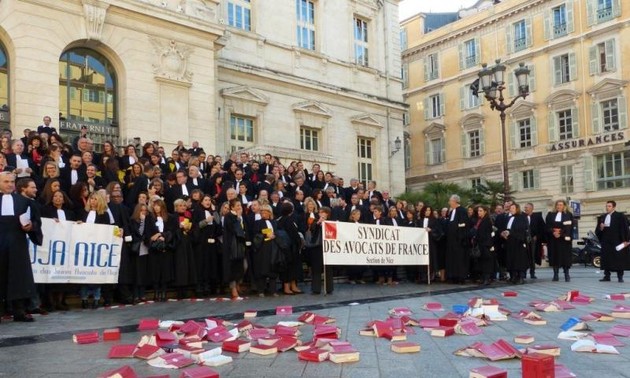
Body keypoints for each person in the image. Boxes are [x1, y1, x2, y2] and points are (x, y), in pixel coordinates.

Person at [193, 194, 221, 296]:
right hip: (201, 243)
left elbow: (218, 224)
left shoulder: (212, 212)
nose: (208, 202)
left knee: (211, 264)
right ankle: (200, 286)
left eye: (209, 200)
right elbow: (195, 226)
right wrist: (205, 221)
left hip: (212, 242)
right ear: (201, 202)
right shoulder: (197, 212)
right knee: (201, 265)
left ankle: (209, 285)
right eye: (205, 200)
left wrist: (214, 212)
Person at [596, 200, 630, 282]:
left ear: (614, 207)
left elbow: (625, 228)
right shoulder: (603, 217)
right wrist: (601, 228)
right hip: (606, 242)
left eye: (609, 206)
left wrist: (626, 240)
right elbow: (598, 231)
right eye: (606, 206)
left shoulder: (620, 216)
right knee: (606, 259)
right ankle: (607, 276)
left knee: (618, 259)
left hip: (617, 241)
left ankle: (620, 277)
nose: (607, 208)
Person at [222, 198, 248, 300]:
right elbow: (234, 230)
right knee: (232, 268)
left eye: (240, 205)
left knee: (243, 266)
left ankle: (238, 284)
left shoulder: (241, 217)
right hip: (232, 246)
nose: (239, 207)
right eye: (237, 205)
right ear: (232, 207)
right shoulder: (229, 216)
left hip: (240, 245)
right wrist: (238, 218)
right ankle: (233, 289)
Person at [251, 204, 279, 297]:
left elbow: (277, 232)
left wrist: (275, 236)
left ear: (269, 213)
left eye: (266, 212)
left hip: (272, 247)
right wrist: (265, 235)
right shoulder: (257, 223)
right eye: (262, 211)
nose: (264, 213)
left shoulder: (274, 222)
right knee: (262, 268)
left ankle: (273, 290)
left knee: (273, 267)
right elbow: (255, 235)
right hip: (262, 248)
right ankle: (261, 290)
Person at [277, 201, 303, 295]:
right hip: (290, 248)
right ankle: (287, 287)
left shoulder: (279, 220)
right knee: (288, 268)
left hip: (285, 247)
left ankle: (293, 286)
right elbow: (293, 234)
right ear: (291, 210)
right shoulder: (288, 220)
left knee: (291, 268)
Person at [545, 199, 574, 282]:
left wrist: (560, 233)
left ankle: (566, 274)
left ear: (564, 206)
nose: (559, 206)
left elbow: (569, 228)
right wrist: (553, 232)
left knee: (565, 257)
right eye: (557, 205)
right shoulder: (550, 215)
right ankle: (555, 274)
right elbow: (547, 226)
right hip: (553, 240)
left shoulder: (568, 215)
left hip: (564, 240)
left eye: (561, 205)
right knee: (554, 257)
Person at [502, 203, 529, 285]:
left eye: (513, 208)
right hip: (510, 242)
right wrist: (505, 232)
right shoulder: (509, 218)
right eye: (510, 208)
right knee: (512, 259)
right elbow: (508, 228)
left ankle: (521, 277)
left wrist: (510, 233)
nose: (511, 209)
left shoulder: (522, 217)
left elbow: (522, 229)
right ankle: (513, 276)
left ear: (517, 209)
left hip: (519, 242)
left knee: (519, 260)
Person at [445, 194, 470, 284]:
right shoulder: (452, 212)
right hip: (451, 241)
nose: (449, 202)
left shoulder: (462, 210)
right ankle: (453, 276)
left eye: (450, 201)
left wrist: (457, 229)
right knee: (452, 259)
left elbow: (464, 224)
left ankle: (461, 277)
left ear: (455, 201)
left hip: (459, 240)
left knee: (460, 259)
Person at [310, 206, 333, 295]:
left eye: (323, 212)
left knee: (328, 268)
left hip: (328, 247)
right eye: (320, 212)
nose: (321, 214)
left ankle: (329, 288)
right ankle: (316, 288)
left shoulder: (331, 222)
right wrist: (319, 222)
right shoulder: (315, 221)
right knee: (316, 268)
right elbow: (312, 230)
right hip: (317, 247)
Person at [523, 202, 545, 279]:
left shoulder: (537, 217)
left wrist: (537, 236)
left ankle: (532, 272)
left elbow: (542, 228)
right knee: (524, 256)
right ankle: (524, 272)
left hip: (533, 240)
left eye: (527, 207)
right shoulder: (522, 217)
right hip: (524, 239)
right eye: (525, 207)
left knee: (532, 256)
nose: (525, 209)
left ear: (532, 208)